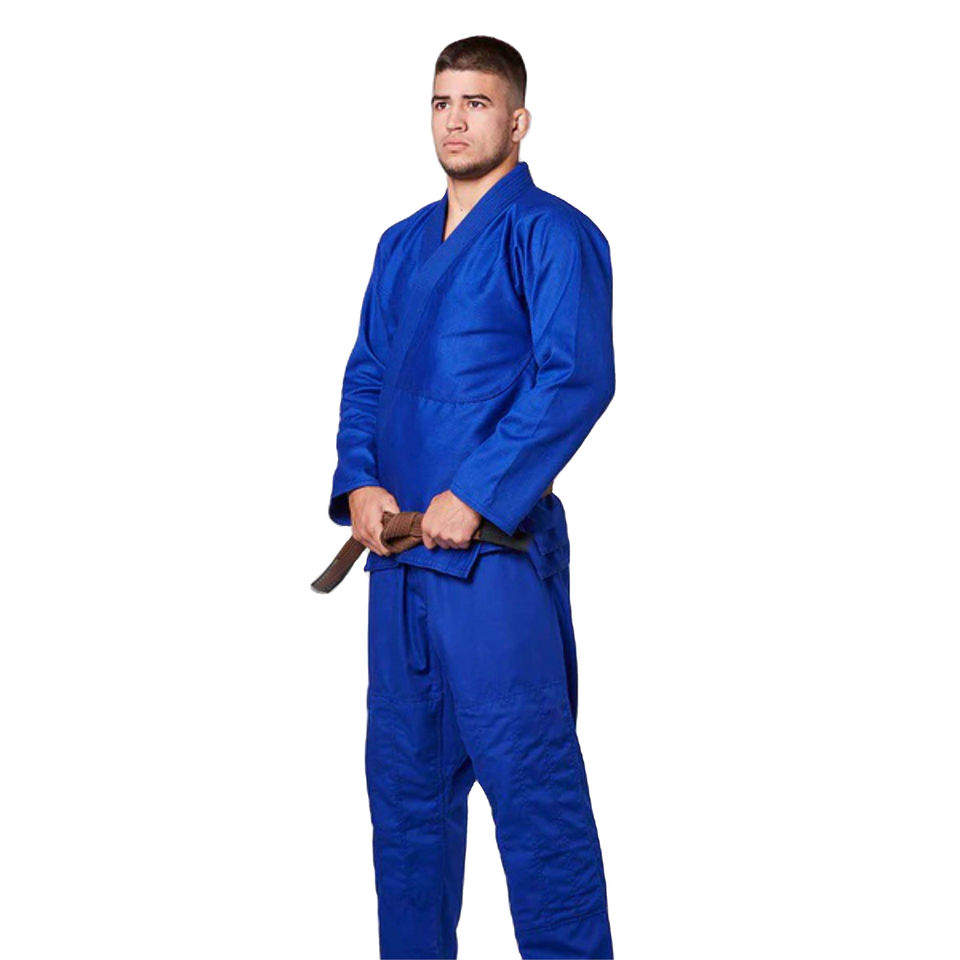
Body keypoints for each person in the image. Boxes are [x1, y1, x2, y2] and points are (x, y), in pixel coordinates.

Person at [328, 35, 616, 960]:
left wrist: (480, 494)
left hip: (493, 566)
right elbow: (368, 373)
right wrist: (360, 481)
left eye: (477, 103)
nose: (455, 120)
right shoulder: (400, 244)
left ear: (518, 121)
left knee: (535, 799)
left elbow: (575, 378)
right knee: (405, 805)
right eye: (442, 102)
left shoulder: (555, 235)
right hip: (399, 561)